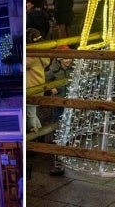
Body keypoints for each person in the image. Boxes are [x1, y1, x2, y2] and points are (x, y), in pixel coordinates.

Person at [44, 45, 74, 176]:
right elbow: (45, 80)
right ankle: (58, 159)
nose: (68, 61)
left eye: (70, 58)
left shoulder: (73, 68)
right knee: (58, 124)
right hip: (58, 101)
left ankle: (67, 147)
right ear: (60, 59)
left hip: (71, 100)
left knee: (69, 123)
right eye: (65, 58)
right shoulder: (53, 70)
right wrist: (51, 88)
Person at [25, 27, 49, 133]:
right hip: (38, 87)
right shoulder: (41, 55)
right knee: (32, 113)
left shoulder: (32, 57)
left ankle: (35, 131)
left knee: (30, 114)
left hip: (31, 88)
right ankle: (38, 130)